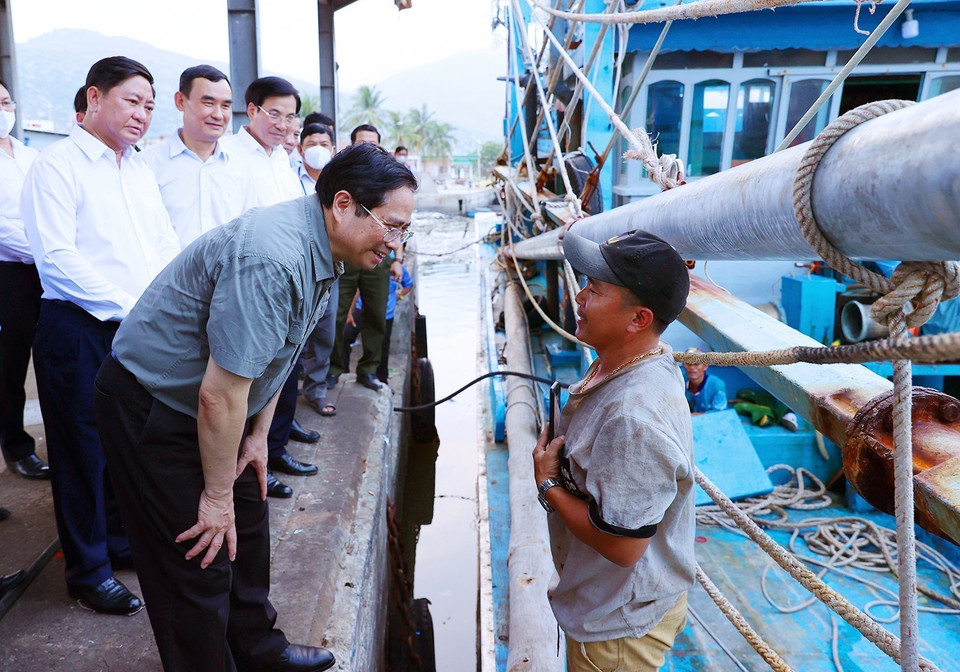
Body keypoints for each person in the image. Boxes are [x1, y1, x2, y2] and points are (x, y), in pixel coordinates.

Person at [93, 142, 417, 672]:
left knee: (248, 519)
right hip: (154, 404)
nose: (397, 243)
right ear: (343, 203)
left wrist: (259, 436)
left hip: (222, 405)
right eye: (392, 225)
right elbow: (217, 393)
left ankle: (258, 651)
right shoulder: (273, 257)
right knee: (195, 555)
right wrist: (214, 495)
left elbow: (279, 353)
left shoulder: (328, 245)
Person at [21, 56, 181, 616]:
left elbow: (163, 244)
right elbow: (58, 259)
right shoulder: (57, 165)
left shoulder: (137, 169)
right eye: (132, 101)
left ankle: (117, 543)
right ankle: (87, 571)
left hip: (137, 326)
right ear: (94, 98)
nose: (142, 114)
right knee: (81, 448)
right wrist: (133, 307)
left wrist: (165, 305)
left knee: (125, 440)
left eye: (149, 106)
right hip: (80, 327)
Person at [532, 229, 694, 671]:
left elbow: (623, 549)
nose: (580, 298)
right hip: (612, 599)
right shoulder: (629, 358)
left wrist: (548, 482)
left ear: (638, 319)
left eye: (595, 290)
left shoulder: (632, 418)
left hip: (616, 630)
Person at [219, 76, 316, 497]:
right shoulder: (230, 158)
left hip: (288, 282)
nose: (282, 123)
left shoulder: (282, 159)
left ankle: (274, 449)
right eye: (273, 113)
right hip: (251, 285)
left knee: (284, 371)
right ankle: (242, 469)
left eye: (290, 116)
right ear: (252, 110)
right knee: (248, 380)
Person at [329, 124, 406, 392]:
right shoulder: (341, 176)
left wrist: (398, 258)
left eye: (374, 144)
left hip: (378, 257)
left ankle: (369, 370)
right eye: (362, 143)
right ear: (351, 146)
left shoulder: (390, 181)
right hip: (345, 257)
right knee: (336, 315)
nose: (368, 149)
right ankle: (334, 369)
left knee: (375, 314)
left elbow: (401, 225)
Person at [141, 65, 253, 248]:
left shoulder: (241, 168)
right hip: (166, 275)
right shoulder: (147, 164)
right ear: (180, 101)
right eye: (208, 103)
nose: (218, 115)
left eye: (225, 106)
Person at [0, 79, 49, 480]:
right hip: (10, 273)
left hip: (47, 271)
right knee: (10, 366)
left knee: (52, 358)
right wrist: (43, 249)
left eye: (5, 101)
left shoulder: (31, 157)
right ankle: (17, 448)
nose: (4, 110)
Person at [296, 124, 339, 416]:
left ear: (333, 149)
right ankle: (280, 401)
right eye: (312, 142)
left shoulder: (340, 184)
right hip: (295, 266)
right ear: (300, 148)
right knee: (292, 333)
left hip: (328, 265)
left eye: (324, 143)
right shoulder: (284, 177)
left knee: (324, 331)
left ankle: (316, 389)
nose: (318, 148)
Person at [682, 347, 728, 414]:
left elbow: (719, 413)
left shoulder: (717, 385)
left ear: (705, 366)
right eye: (688, 363)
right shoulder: (681, 382)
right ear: (683, 364)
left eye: (696, 364)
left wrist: (693, 416)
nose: (692, 367)